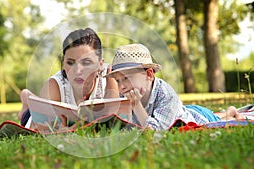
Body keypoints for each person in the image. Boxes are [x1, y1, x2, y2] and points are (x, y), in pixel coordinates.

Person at [104, 43, 245, 131]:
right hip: (181, 110)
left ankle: (230, 112)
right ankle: (228, 111)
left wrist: (137, 106)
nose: (121, 87)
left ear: (149, 74)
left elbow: (156, 130)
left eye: (126, 78)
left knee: (215, 120)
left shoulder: (167, 94)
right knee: (215, 115)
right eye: (118, 81)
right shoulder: (126, 94)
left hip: (194, 115)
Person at [18, 28, 118, 130]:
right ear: (63, 63)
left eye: (86, 63)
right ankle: (27, 98)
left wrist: (112, 81)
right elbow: (41, 127)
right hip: (36, 109)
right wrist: (66, 131)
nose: (77, 71)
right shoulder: (54, 84)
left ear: (100, 64)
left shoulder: (110, 76)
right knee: (30, 111)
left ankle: (27, 96)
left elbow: (112, 118)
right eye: (70, 63)